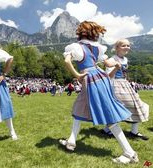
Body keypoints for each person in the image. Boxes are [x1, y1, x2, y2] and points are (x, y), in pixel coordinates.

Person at [59, 21, 138, 164]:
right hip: (100, 78)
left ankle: (130, 153)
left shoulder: (76, 47)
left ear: (81, 32)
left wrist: (76, 74)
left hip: (91, 80)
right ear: (94, 34)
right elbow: (108, 63)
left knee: (109, 116)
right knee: (79, 108)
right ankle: (71, 141)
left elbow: (66, 61)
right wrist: (118, 64)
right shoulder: (97, 48)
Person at [102, 39, 149, 140]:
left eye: (128, 45)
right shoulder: (113, 59)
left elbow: (124, 73)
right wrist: (115, 68)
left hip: (125, 84)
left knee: (137, 105)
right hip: (116, 85)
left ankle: (133, 131)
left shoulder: (125, 59)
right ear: (117, 47)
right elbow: (109, 76)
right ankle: (108, 129)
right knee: (119, 107)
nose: (127, 47)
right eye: (124, 45)